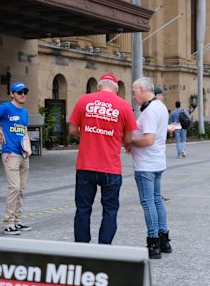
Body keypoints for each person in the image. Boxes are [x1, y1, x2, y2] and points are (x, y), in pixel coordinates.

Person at [69, 73, 137, 244]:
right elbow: (128, 139)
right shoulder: (124, 106)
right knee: (110, 210)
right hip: (111, 167)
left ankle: (82, 247)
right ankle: (104, 248)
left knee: (83, 209)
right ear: (116, 89)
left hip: (86, 165)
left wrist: (88, 135)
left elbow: (72, 130)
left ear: (98, 87)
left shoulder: (84, 100)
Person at [0, 82, 32, 235]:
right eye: (19, 92)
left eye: (25, 92)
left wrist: (28, 148)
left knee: (21, 189)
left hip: (23, 154)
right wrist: (0, 131)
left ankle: (17, 221)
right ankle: (9, 223)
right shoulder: (5, 107)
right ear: (12, 94)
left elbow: (25, 131)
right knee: (14, 188)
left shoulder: (25, 112)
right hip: (10, 153)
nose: (23, 94)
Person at [128, 77, 172, 259]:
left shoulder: (152, 110)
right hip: (157, 161)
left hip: (147, 164)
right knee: (156, 200)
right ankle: (164, 240)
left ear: (143, 89)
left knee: (148, 202)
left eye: (134, 91)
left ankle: (153, 242)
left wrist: (129, 140)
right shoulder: (159, 107)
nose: (132, 95)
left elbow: (148, 139)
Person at [154, 86, 171, 202]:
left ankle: (157, 194)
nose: (163, 96)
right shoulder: (158, 108)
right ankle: (157, 194)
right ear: (156, 95)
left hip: (157, 152)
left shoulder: (158, 108)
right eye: (161, 94)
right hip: (156, 153)